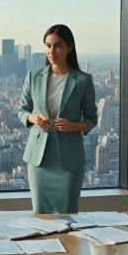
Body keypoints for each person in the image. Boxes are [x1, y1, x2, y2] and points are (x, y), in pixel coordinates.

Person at [17, 24, 97, 214]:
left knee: (68, 216)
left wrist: (72, 126)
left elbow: (92, 119)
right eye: (47, 45)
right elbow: (22, 110)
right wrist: (33, 118)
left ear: (70, 47)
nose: (51, 51)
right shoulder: (34, 77)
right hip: (39, 159)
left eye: (58, 45)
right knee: (40, 214)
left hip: (69, 158)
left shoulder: (83, 80)